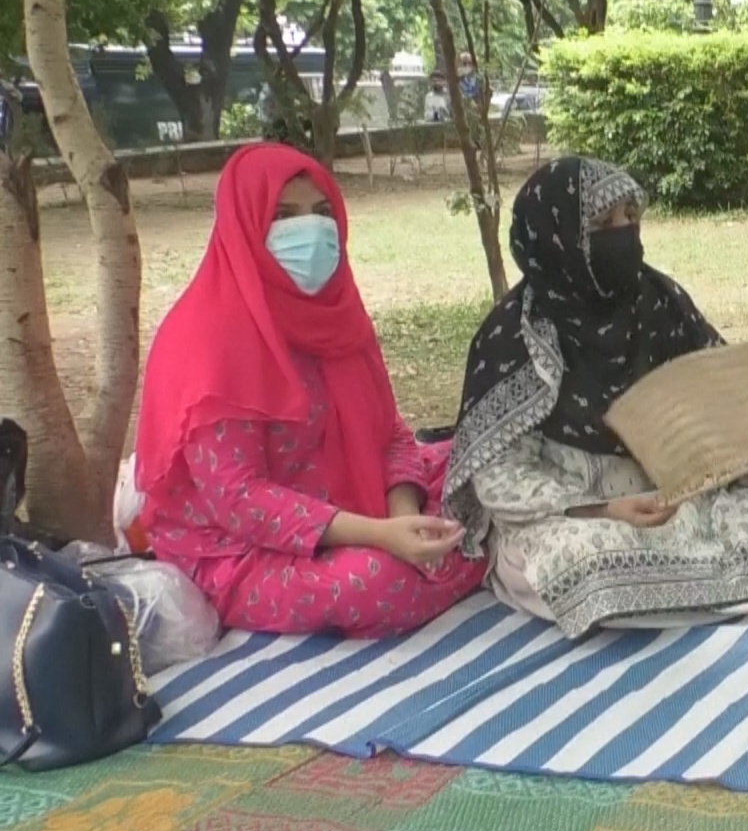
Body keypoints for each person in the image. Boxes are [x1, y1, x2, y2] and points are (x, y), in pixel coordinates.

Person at [443, 157, 748, 637]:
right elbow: (501, 480)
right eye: (601, 225)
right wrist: (604, 510)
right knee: (586, 574)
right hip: (577, 521)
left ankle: (724, 586)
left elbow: (710, 412)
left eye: (630, 219)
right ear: (557, 240)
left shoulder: (658, 301)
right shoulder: (513, 338)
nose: (622, 236)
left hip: (679, 505)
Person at [137, 144, 486, 636]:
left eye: (323, 213)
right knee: (373, 580)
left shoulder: (338, 315)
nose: (311, 231)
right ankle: (471, 557)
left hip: (362, 508)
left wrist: (404, 516)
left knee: (481, 461)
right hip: (244, 547)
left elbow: (389, 434)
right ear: (245, 226)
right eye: (284, 216)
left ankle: (452, 551)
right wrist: (382, 537)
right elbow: (239, 500)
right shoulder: (207, 339)